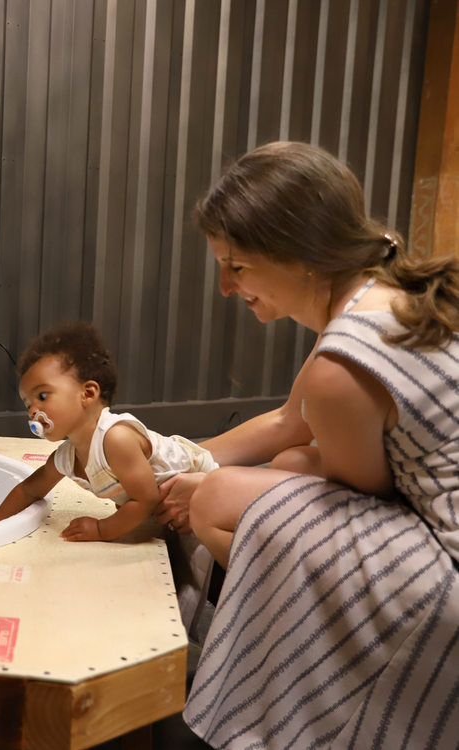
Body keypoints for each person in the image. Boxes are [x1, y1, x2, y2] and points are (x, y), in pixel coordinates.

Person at [153, 141, 459, 748]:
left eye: (236, 267)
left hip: (444, 565)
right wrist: (171, 456)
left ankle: (304, 693)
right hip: (423, 520)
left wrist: (206, 488)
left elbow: (365, 493)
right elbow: (287, 425)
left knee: (220, 499)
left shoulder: (340, 367)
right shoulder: (374, 302)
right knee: (268, 469)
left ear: (300, 257)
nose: (223, 288)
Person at [0, 321, 217, 542]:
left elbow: (146, 500)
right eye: (28, 404)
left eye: (43, 396)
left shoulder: (116, 438)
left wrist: (101, 529)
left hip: (209, 490)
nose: (33, 410)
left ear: (87, 394)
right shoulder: (66, 458)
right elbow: (27, 491)